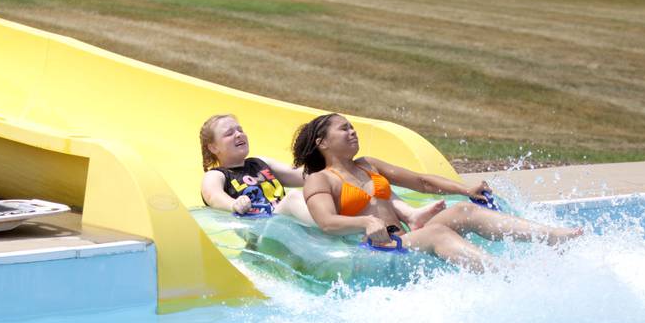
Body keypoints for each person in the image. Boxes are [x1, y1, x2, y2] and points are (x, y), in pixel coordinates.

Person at [292, 113, 583, 272]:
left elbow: (422, 181)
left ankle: (551, 237)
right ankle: (507, 273)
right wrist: (365, 222)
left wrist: (464, 189)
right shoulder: (319, 180)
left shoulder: (368, 165)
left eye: (353, 127)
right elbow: (327, 222)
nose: (353, 132)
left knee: (462, 210)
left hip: (403, 238)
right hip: (373, 250)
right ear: (322, 142)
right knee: (436, 234)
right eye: (344, 129)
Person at [199, 114, 445, 228]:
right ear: (213, 147)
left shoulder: (259, 162)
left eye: (240, 129)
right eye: (229, 133)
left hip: (291, 220)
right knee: (294, 197)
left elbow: (301, 176)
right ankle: (337, 225)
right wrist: (234, 204)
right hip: (265, 223)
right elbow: (213, 196)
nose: (239, 134)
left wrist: (346, 167)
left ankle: (411, 214)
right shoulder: (217, 175)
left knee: (361, 180)